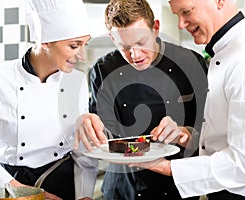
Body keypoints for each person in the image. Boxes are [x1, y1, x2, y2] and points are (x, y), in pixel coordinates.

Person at [129, 0, 245, 199]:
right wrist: (185, 136)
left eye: (186, 12)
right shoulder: (227, 53)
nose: (180, 24)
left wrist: (165, 167)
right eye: (177, 15)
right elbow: (229, 138)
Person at [74, 0, 208, 199]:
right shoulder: (103, 70)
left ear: (155, 28)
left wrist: (185, 133)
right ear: (112, 37)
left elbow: (208, 137)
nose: (134, 55)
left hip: (177, 189)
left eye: (141, 43)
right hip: (122, 190)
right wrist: (91, 129)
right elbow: (106, 136)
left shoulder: (191, 64)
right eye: (125, 47)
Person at [0, 0, 98, 199]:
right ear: (44, 41)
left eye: (84, 44)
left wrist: (84, 195)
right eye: (74, 46)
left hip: (63, 183)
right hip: (11, 187)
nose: (82, 55)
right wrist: (21, 191)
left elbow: (81, 150)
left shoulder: (76, 81)